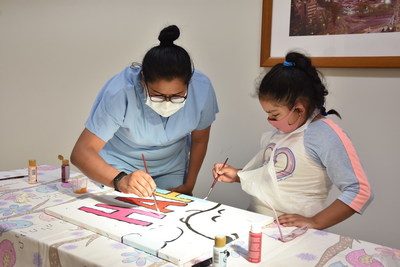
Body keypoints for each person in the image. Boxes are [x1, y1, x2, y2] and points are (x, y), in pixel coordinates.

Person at [212, 51, 373, 230]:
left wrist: (315, 222)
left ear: (299, 109)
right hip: (256, 224)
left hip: (295, 233)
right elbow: (278, 177)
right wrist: (237, 175)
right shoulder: (284, 130)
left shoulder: (324, 135)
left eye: (275, 114)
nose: (270, 121)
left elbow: (359, 191)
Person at [71, 25, 218, 197]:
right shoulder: (122, 92)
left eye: (177, 95)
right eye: (158, 95)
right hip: (119, 167)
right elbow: (81, 152)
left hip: (171, 169)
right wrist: (120, 180)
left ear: (189, 84)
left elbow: (199, 140)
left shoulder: (202, 89)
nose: (167, 102)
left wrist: (188, 184)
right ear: (142, 81)